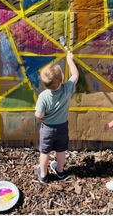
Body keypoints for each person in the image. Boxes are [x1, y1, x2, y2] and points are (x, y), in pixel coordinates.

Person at [35, 51, 79, 184]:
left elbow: (39, 115)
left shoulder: (43, 96)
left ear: (44, 83)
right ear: (61, 79)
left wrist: (41, 116)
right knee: (61, 151)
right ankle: (60, 171)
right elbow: (75, 75)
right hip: (62, 127)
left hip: (47, 129)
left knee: (45, 152)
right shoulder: (67, 89)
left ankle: (43, 175)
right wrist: (69, 59)